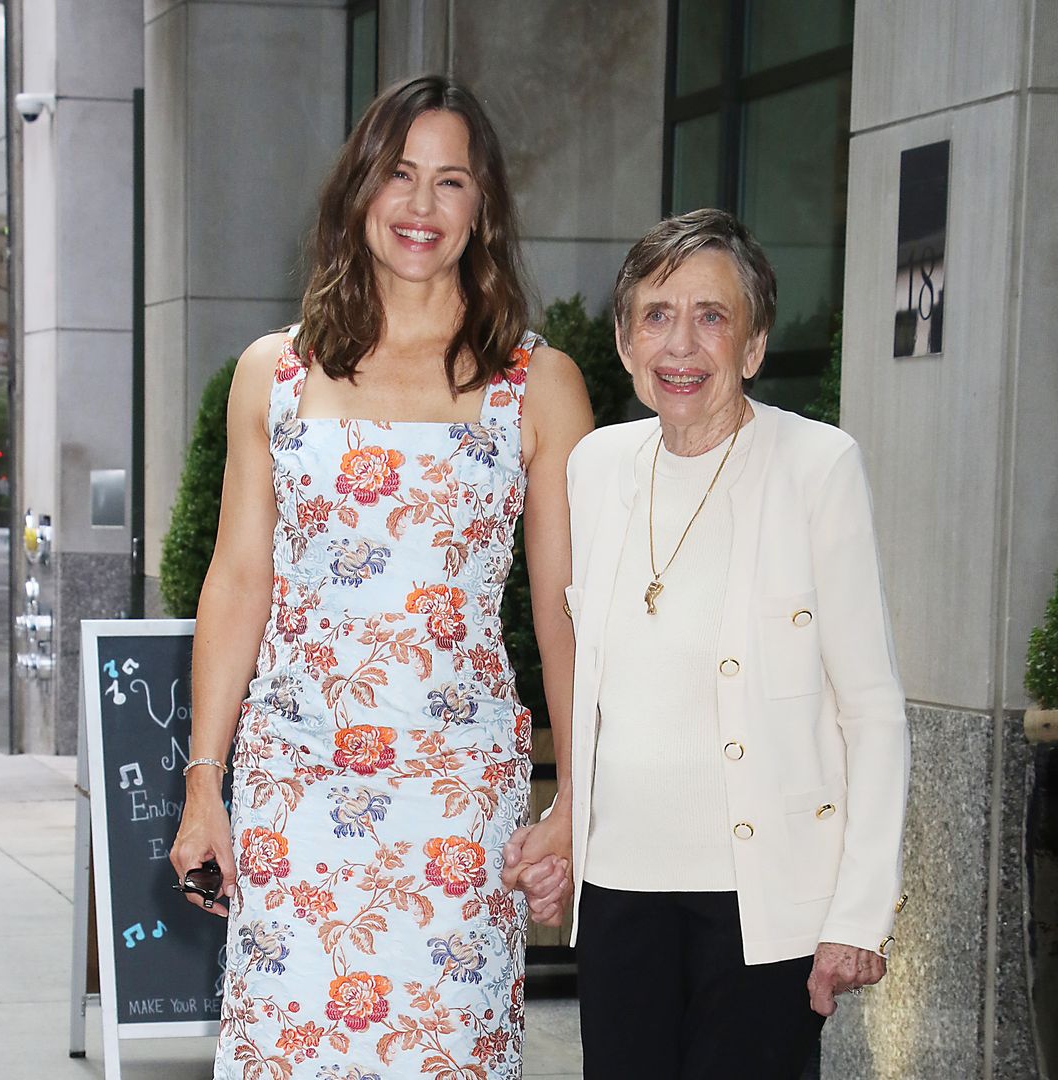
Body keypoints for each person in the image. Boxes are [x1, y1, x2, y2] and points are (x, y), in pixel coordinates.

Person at [170, 75, 587, 1079]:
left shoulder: (540, 384)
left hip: (456, 796)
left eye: (451, 182)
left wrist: (576, 796)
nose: (421, 207)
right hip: (295, 785)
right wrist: (203, 785)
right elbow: (236, 582)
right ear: (358, 191)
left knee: (444, 1051)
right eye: (400, 176)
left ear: (483, 208)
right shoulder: (270, 373)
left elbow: (568, 611)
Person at [505, 209, 910, 1079]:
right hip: (619, 901)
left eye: (711, 316)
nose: (680, 344)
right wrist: (565, 826)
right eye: (656, 315)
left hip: (765, 906)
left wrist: (858, 912)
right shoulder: (598, 467)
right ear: (623, 340)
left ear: (754, 345)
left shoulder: (818, 466)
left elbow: (872, 707)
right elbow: (597, 681)